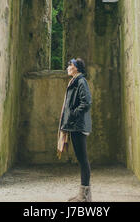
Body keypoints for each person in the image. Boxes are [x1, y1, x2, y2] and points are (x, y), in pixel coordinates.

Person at [57, 57, 92, 202]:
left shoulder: (81, 82)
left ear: (76, 68)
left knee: (83, 160)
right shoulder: (75, 81)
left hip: (78, 126)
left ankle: (84, 196)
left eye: (70, 65)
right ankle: (83, 195)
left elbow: (87, 102)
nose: (67, 67)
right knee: (81, 159)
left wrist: (73, 114)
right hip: (75, 125)